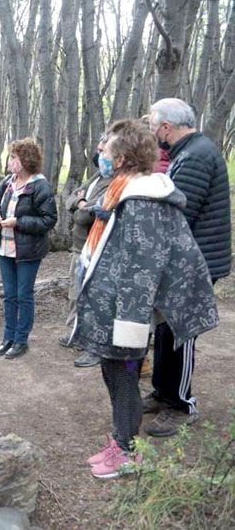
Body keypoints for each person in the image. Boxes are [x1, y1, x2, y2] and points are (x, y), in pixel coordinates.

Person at [71, 120, 218, 478]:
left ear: (121, 159)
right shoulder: (122, 191)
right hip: (116, 307)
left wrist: (130, 329)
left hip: (128, 314)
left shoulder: (143, 201)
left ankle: (126, 451)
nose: (99, 154)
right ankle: (122, 440)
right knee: (112, 373)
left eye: (105, 149)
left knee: (122, 376)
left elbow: (141, 271)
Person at [142, 98, 232, 437]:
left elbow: (179, 213)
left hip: (196, 263)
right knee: (165, 332)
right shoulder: (191, 151)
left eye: (153, 126)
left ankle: (181, 405)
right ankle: (163, 392)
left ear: (167, 127)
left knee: (181, 333)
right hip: (185, 260)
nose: (153, 133)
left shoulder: (196, 155)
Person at [0, 138, 57, 359]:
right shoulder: (8, 182)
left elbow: (48, 220)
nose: (10, 162)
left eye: (13, 157)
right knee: (9, 295)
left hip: (28, 251)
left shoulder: (41, 186)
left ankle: (21, 340)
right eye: (10, 157)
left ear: (26, 160)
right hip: (5, 248)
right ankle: (8, 337)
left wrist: (18, 222)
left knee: (23, 295)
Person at [61, 133, 114, 368]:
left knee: (94, 297)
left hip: (97, 247)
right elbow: (68, 198)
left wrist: (81, 205)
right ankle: (76, 332)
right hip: (79, 246)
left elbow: (84, 215)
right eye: (99, 150)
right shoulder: (96, 175)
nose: (99, 155)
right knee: (75, 291)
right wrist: (80, 203)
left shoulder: (115, 182)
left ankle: (94, 344)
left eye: (103, 151)